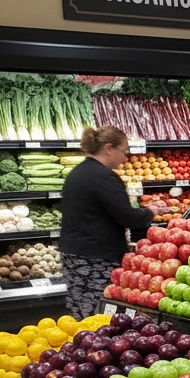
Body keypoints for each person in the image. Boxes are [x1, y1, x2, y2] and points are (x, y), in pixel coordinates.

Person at [59, 125, 154, 319]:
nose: (126, 158)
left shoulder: (78, 172)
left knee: (81, 312)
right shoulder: (104, 177)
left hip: (74, 253)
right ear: (109, 148)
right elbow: (126, 216)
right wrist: (151, 213)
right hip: (97, 258)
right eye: (124, 151)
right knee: (100, 314)